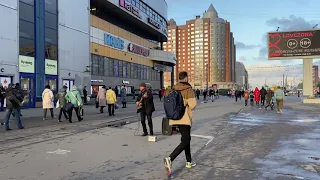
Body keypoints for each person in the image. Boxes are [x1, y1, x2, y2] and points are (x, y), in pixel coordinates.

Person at [164, 71, 197, 176]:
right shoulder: (188, 88)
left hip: (175, 117)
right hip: (184, 118)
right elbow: (192, 105)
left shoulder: (173, 88)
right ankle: (170, 158)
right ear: (186, 78)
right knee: (186, 139)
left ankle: (188, 161)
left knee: (186, 139)